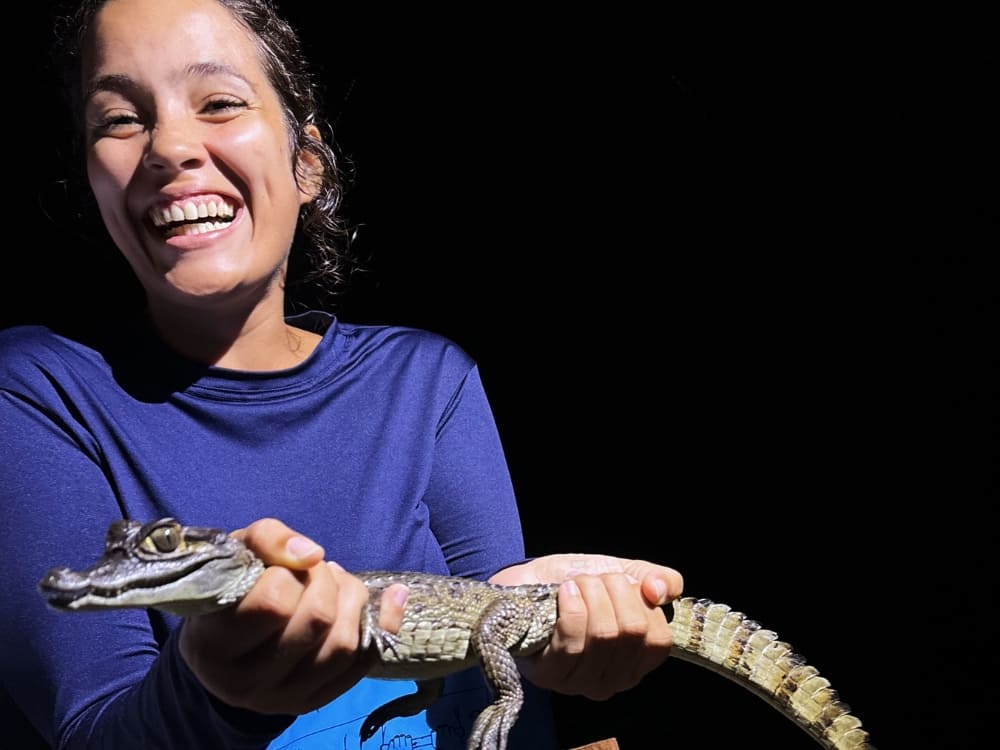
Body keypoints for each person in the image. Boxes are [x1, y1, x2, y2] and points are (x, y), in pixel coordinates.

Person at [0, 0, 683, 748]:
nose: (171, 146)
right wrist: (213, 691)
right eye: (120, 119)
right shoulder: (34, 389)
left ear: (307, 164)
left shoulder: (429, 379)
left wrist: (582, 657)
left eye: (219, 103)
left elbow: (506, 647)